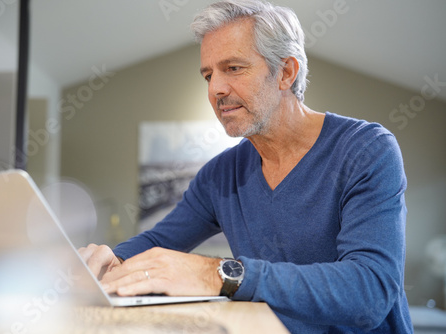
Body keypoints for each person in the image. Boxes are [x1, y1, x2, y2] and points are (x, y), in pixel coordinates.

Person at [79, 0, 413, 332]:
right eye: (208, 74)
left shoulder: (366, 149)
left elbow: (369, 292)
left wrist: (218, 274)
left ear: (285, 72)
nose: (215, 89)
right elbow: (159, 240)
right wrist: (111, 259)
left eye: (233, 68)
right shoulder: (219, 176)